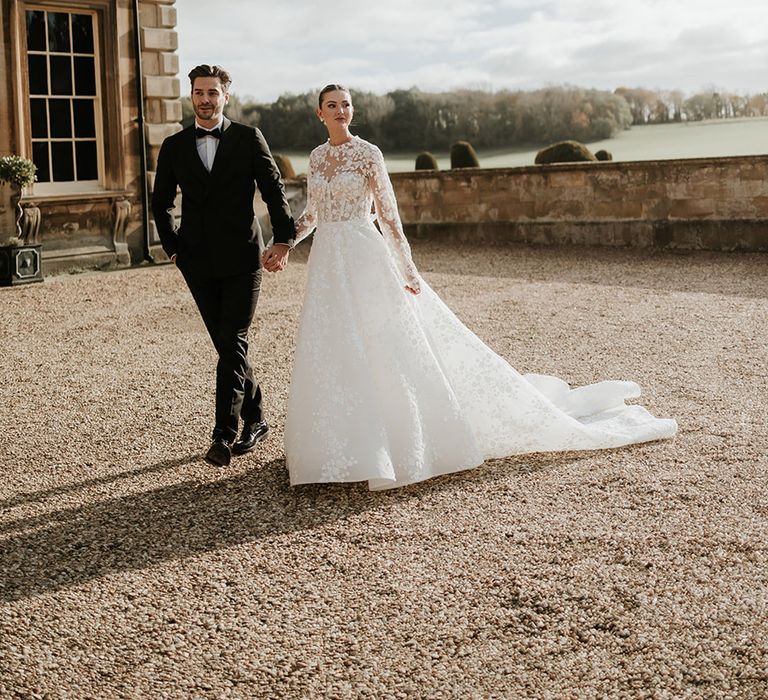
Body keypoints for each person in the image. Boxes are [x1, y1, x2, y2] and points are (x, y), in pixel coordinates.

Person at [263, 85, 677, 491]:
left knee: (382, 343)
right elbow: (313, 214)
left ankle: (395, 443)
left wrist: (407, 270)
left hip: (365, 256)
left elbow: (389, 217)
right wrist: (283, 243)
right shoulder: (317, 158)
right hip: (328, 266)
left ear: (353, 111)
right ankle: (342, 446)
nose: (340, 111)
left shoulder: (369, 153)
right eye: (331, 106)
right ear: (319, 114)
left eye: (346, 105)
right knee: (336, 347)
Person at [152, 64, 296, 467]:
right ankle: (258, 417)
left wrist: (284, 239)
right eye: (199, 92)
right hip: (196, 261)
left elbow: (273, 190)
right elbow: (160, 203)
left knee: (232, 340)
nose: (205, 100)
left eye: (212, 93)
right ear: (191, 95)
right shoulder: (175, 145)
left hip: (242, 258)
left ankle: (223, 433)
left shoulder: (249, 139)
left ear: (225, 97)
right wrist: (173, 249)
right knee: (227, 345)